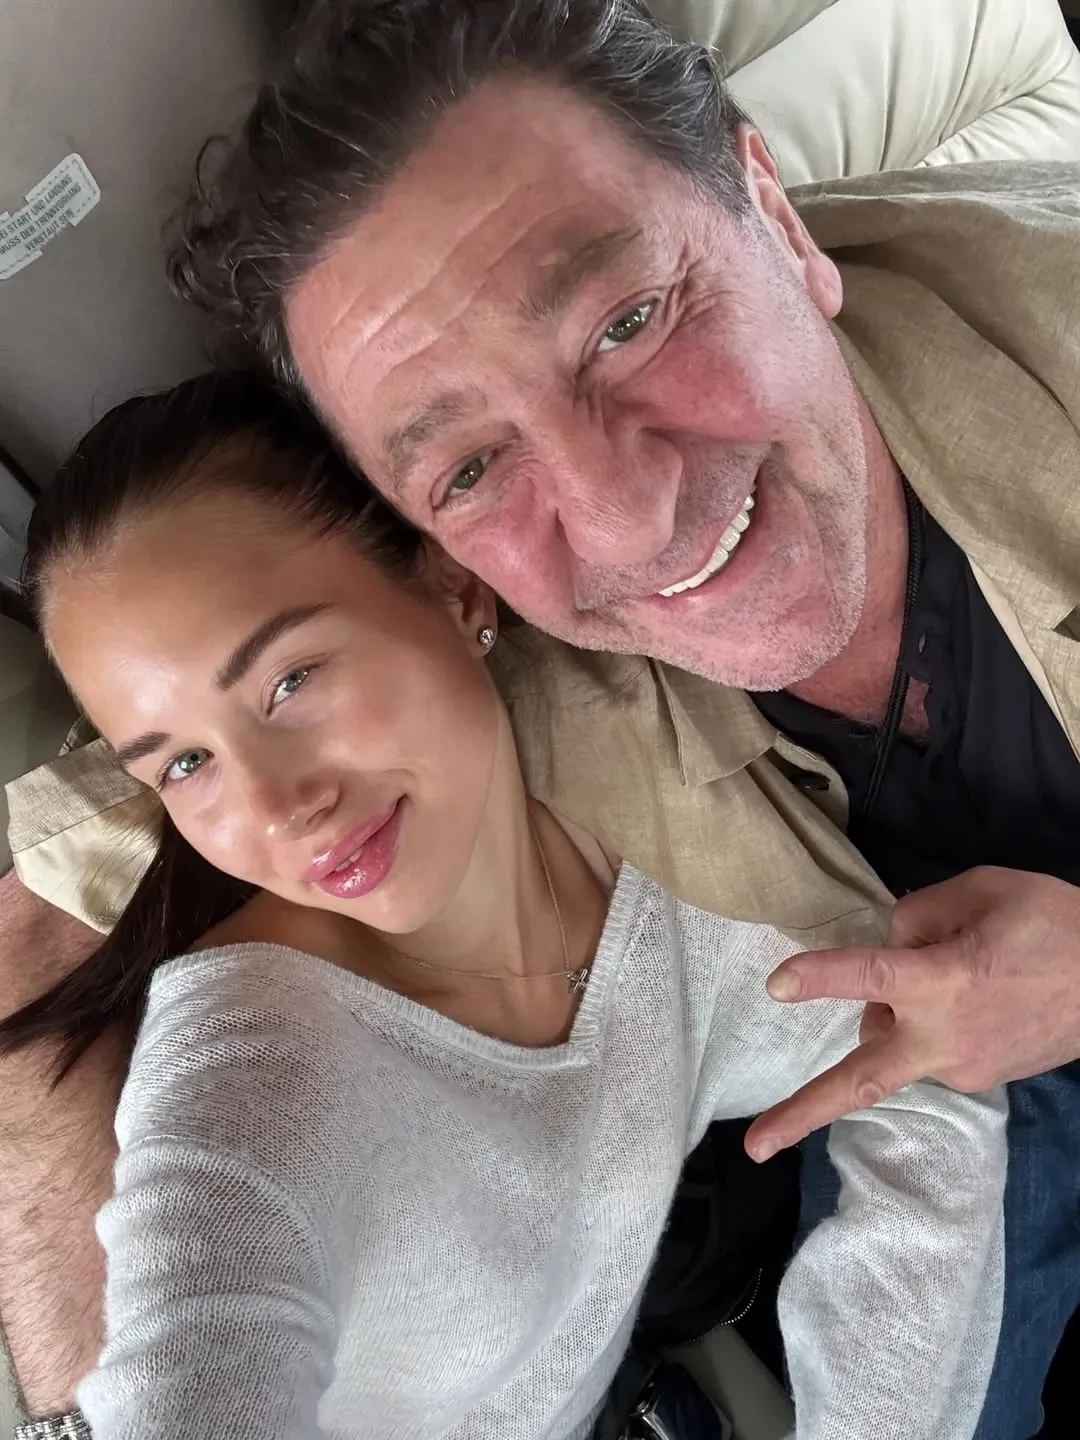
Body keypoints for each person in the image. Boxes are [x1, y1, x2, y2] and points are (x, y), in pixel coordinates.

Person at [6, 1, 1080, 1434]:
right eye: (465, 468)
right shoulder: (504, 697)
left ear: (772, 211)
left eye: (628, 322)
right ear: (441, 558)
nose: (625, 520)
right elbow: (66, 872)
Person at [0, 372, 1006, 1440]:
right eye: (186, 764)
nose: (281, 810)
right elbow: (193, 1347)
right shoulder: (251, 1076)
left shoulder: (680, 854)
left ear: (452, 589)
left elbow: (918, 1057)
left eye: (289, 682)